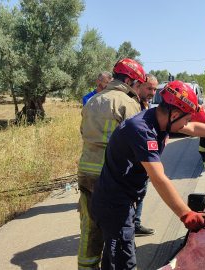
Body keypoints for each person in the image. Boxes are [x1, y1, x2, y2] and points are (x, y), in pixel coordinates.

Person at [90, 81, 205, 270]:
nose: (187, 124)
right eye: (186, 119)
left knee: (112, 262)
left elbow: (194, 129)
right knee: (125, 264)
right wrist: (186, 214)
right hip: (112, 205)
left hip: (119, 201)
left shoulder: (161, 120)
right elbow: (158, 178)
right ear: (174, 115)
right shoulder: (142, 130)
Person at [77, 58, 145, 270]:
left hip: (85, 172)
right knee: (118, 229)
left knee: (90, 228)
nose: (138, 89)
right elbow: (137, 141)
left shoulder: (92, 101)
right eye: (138, 84)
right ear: (128, 80)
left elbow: (82, 133)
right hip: (110, 177)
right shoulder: (127, 103)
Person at [133, 74, 159, 235]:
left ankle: (135, 224)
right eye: (149, 88)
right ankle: (131, 226)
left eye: (155, 89)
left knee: (141, 193)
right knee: (135, 194)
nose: (152, 92)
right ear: (139, 86)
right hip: (134, 160)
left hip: (143, 159)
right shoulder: (133, 104)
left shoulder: (146, 105)